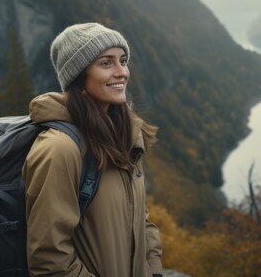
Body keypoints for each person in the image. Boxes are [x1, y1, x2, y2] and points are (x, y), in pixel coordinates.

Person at [23, 23, 163, 277]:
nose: (122, 72)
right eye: (106, 63)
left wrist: (153, 269)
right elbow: (49, 260)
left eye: (123, 60)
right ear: (79, 78)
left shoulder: (125, 136)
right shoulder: (60, 149)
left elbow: (141, 218)